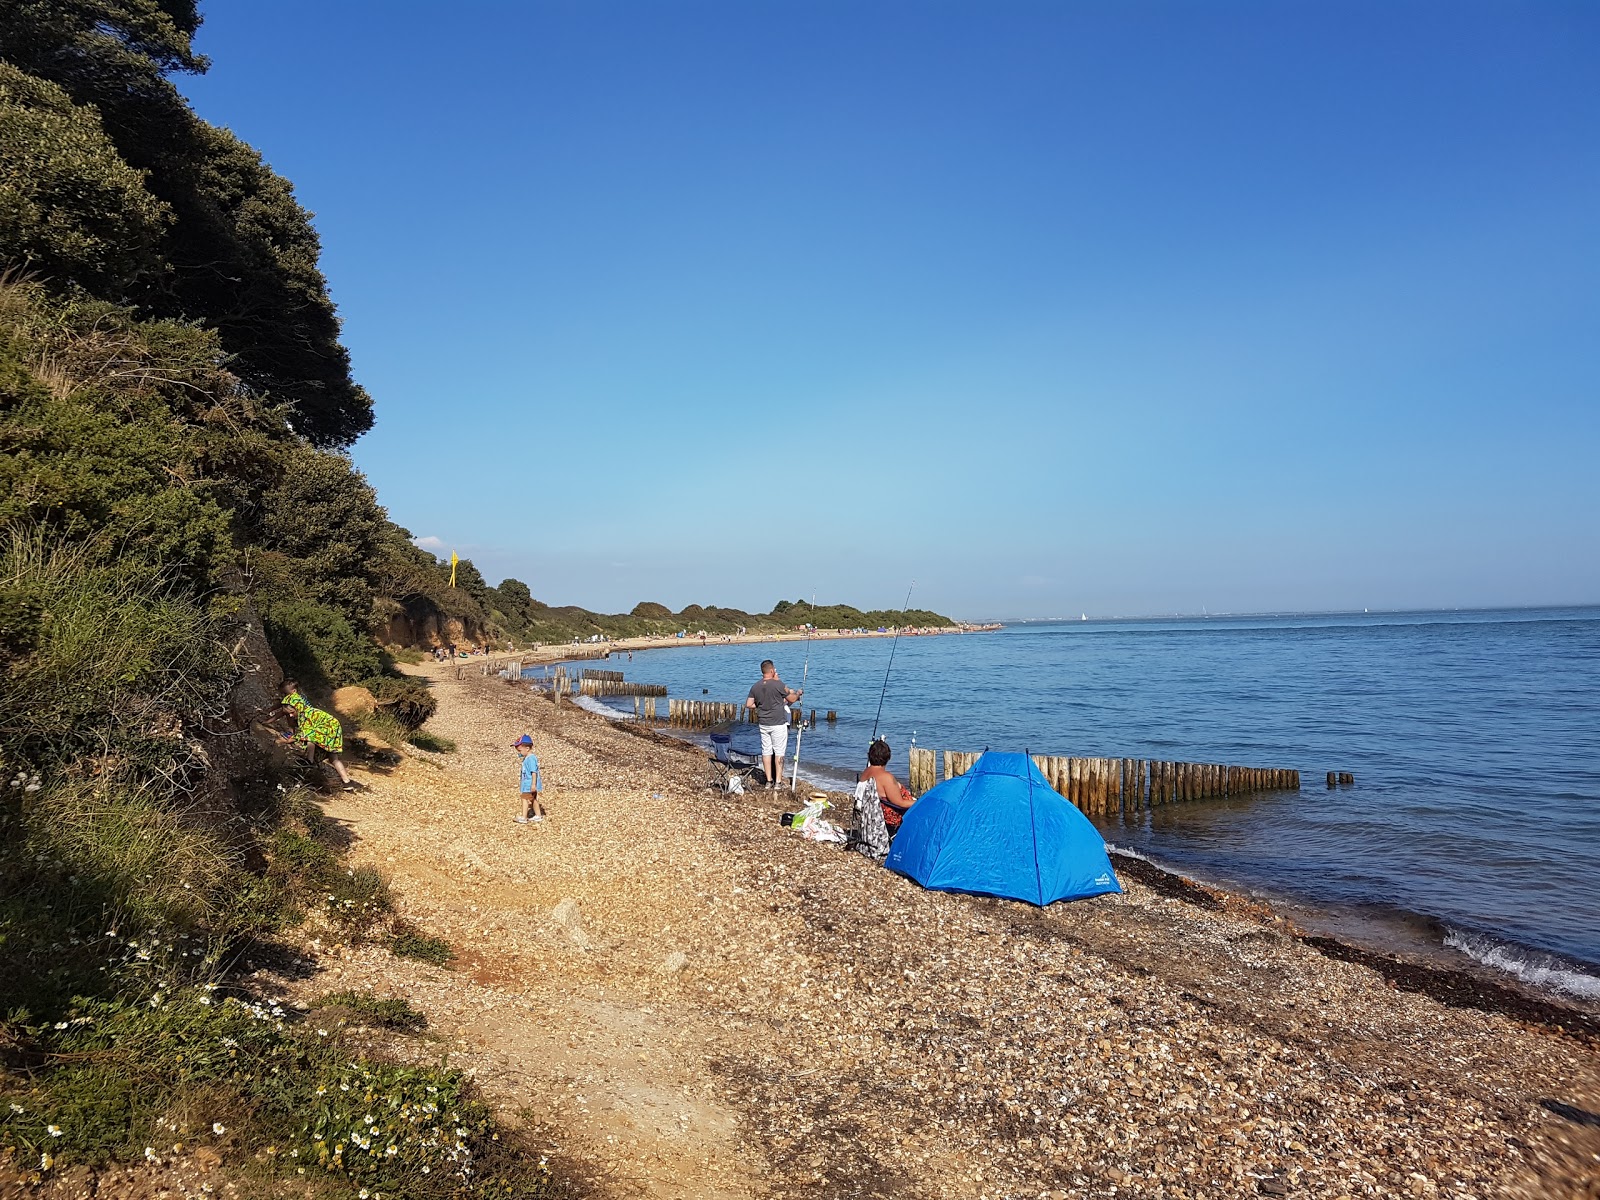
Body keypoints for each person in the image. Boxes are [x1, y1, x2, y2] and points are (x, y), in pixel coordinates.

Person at [277, 678, 357, 790]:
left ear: (297, 709)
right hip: (334, 728)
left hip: (329, 728)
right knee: (333, 758)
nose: (290, 716)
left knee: (310, 738)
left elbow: (304, 734)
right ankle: (347, 782)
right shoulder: (305, 712)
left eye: (291, 713)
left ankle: (309, 762)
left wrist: (286, 741)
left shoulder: (305, 716)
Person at [745, 659, 802, 791]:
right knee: (779, 752)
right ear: (771, 670)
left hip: (764, 723)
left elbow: (748, 704)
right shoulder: (778, 684)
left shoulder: (755, 686)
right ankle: (778, 782)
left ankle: (768, 781)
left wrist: (761, 705)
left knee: (766, 751)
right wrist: (798, 694)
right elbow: (792, 699)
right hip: (778, 723)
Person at [859, 739, 915, 834]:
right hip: (886, 815)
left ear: (869, 755)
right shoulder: (886, 777)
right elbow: (900, 803)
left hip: (869, 813)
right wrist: (919, 802)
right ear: (887, 757)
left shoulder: (865, 773)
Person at [512, 734, 545, 823]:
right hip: (528, 783)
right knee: (532, 799)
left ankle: (524, 817)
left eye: (519, 750)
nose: (519, 753)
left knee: (524, 798)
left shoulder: (531, 759)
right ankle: (538, 815)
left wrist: (533, 784)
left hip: (529, 783)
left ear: (527, 748)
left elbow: (534, 772)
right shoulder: (527, 758)